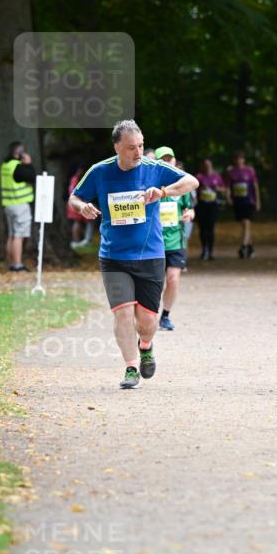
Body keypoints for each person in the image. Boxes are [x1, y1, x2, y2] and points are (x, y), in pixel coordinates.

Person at [69, 120, 197, 389]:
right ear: (117, 147)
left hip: (150, 255)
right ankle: (130, 367)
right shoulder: (100, 171)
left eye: (140, 145)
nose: (138, 152)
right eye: (131, 148)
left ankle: (146, 346)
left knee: (147, 321)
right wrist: (82, 208)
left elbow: (191, 181)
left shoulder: (154, 169)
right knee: (123, 314)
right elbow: (75, 197)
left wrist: (162, 192)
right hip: (114, 256)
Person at [154, 146, 195, 331]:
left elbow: (190, 208)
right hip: (154, 242)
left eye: (170, 159)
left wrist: (189, 214)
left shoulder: (183, 185)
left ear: (174, 161)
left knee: (173, 279)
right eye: (163, 159)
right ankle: (148, 316)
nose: (167, 162)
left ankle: (165, 316)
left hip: (176, 241)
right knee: (155, 283)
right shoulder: (150, 184)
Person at [0, 141, 36, 272]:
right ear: (18, 153)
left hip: (9, 205)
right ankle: (18, 265)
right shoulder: (18, 167)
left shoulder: (6, 165)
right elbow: (32, 177)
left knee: (12, 235)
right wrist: (29, 164)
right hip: (20, 205)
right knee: (19, 236)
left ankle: (12, 263)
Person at [226, 152, 260, 258]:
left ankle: (243, 247)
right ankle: (250, 247)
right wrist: (228, 197)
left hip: (248, 201)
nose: (238, 161)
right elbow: (228, 186)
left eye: (240, 158)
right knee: (244, 225)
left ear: (244, 160)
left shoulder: (249, 171)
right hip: (237, 201)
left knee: (246, 223)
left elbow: (255, 186)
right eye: (237, 159)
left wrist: (258, 201)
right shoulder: (231, 172)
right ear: (234, 160)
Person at [195, 158, 226, 260]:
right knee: (203, 229)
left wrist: (217, 188)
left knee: (211, 228)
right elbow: (193, 189)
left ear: (211, 165)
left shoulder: (216, 177)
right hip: (201, 205)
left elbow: (224, 188)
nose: (207, 167)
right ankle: (204, 249)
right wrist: (201, 189)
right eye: (205, 165)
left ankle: (210, 251)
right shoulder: (199, 177)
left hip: (213, 206)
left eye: (209, 165)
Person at [66, 164, 95, 248]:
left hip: (73, 203)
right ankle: (77, 241)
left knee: (78, 222)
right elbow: (76, 192)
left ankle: (78, 240)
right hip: (76, 203)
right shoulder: (76, 179)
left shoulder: (73, 178)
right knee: (77, 222)